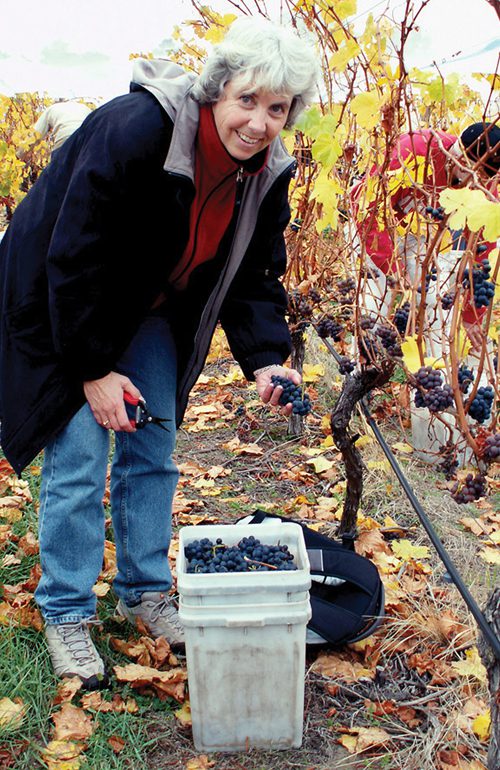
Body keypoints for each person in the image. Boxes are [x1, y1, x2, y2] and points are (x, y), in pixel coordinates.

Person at [0, 17, 318, 689]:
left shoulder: (266, 172)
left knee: (156, 443)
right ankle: (64, 609)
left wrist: (267, 357)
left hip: (147, 306)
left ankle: (144, 591)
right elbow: (74, 254)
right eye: (247, 100)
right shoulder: (137, 129)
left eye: (278, 108)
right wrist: (92, 370)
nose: (260, 123)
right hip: (64, 294)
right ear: (216, 91)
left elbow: (255, 272)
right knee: (82, 450)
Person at [350, 123, 500, 351]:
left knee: (432, 302)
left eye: (480, 178)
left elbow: (481, 250)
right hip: (372, 227)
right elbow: (367, 207)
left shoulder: (484, 187)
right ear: (458, 154)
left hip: (416, 235)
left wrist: (472, 314)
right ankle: (363, 368)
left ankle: (430, 379)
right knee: (375, 304)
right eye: (470, 171)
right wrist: (396, 273)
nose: (472, 183)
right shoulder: (415, 148)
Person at [16, 99, 93, 159]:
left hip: (64, 141)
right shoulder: (86, 108)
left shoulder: (52, 109)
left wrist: (19, 155)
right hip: (86, 143)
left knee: (57, 175)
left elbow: (35, 136)